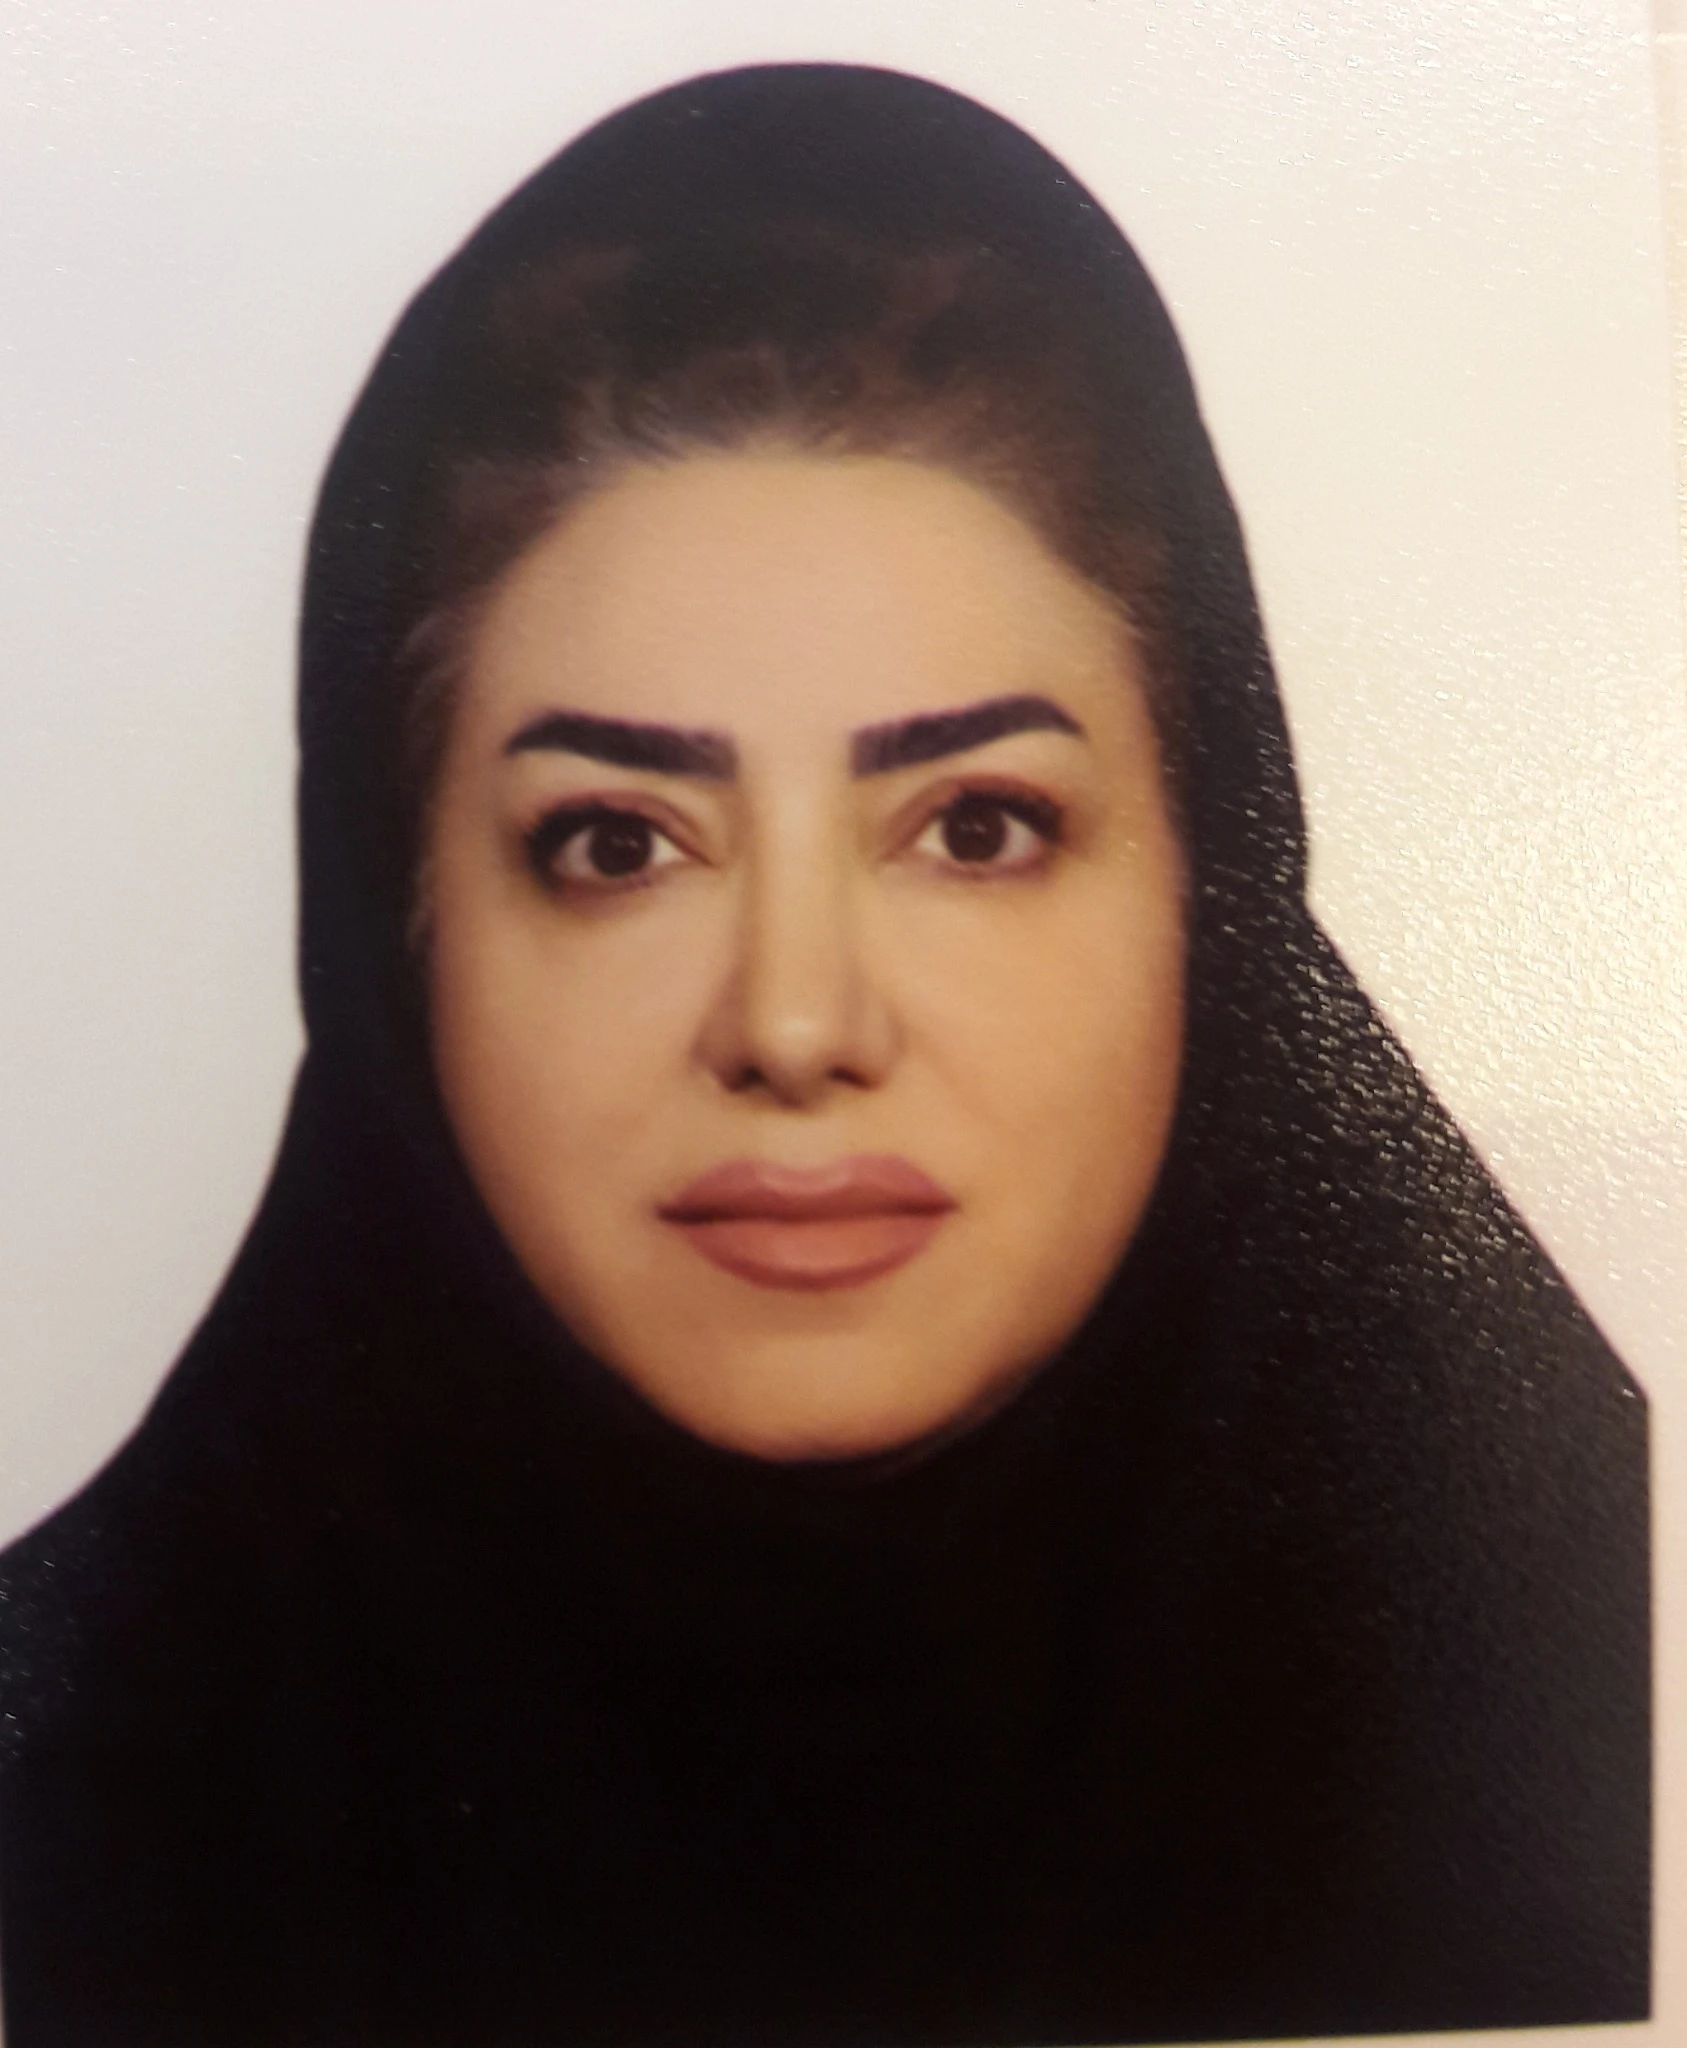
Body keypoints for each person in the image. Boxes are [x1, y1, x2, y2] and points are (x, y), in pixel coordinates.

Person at [0, 62, 1648, 2048]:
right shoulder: (58, 1797)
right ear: (390, 930)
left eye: (977, 828)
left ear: (1215, 907)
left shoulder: (1617, 1693)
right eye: (616, 846)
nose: (793, 1024)